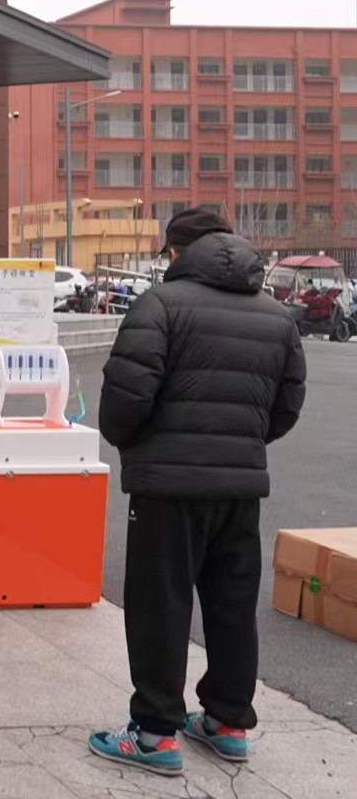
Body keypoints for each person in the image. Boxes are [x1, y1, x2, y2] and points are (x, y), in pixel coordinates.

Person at [88, 210, 307, 776]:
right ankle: (227, 721)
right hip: (238, 485)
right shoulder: (276, 316)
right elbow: (286, 404)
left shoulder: (159, 306)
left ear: (176, 252)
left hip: (167, 488)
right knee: (232, 604)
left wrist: (140, 445)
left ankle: (155, 732)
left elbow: (124, 401)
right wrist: (240, 441)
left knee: (161, 604)